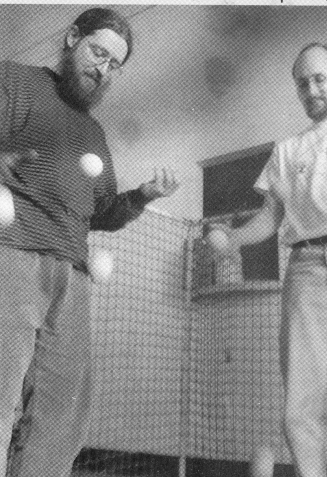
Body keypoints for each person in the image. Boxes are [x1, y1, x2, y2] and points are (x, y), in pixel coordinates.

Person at [0, 8, 179, 477]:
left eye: (114, 65)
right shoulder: (14, 82)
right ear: (72, 39)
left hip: (73, 276)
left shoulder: (95, 134)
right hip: (11, 254)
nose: (103, 70)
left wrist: (141, 197)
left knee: (64, 415)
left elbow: (101, 212)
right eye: (98, 52)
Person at [208, 42, 327, 477]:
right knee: (299, 402)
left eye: (320, 78)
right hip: (304, 266)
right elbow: (269, 218)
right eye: (303, 82)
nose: (312, 89)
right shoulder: (286, 151)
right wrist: (232, 239)